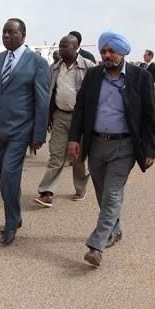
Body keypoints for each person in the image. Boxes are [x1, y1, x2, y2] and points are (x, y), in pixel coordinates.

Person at [68, 30, 155, 267]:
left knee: (112, 193)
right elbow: (81, 108)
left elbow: (149, 114)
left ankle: (97, 245)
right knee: (102, 193)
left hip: (124, 146)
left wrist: (150, 148)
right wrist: (74, 138)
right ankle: (114, 229)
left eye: (112, 51)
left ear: (123, 52)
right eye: (103, 51)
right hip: (96, 144)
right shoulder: (93, 75)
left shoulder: (140, 77)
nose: (107, 55)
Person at [0, 18, 50, 245]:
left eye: (12, 33)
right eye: (4, 32)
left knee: (8, 175)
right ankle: (15, 218)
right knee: (6, 179)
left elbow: (42, 101)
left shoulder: (37, 63)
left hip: (21, 130)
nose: (6, 36)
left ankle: (10, 224)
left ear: (23, 35)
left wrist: (38, 135)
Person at [33, 34, 93, 208]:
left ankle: (80, 189)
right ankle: (46, 193)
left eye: (65, 46)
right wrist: (49, 116)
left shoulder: (88, 67)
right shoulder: (54, 68)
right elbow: (51, 93)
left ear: (76, 48)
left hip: (80, 119)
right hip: (60, 116)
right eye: (60, 46)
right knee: (56, 155)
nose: (60, 49)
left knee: (79, 158)